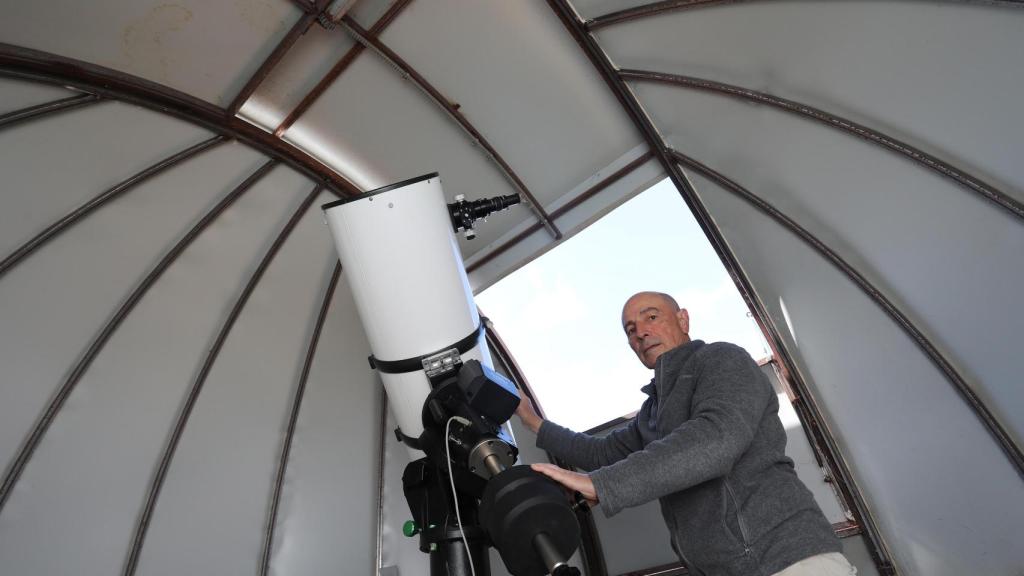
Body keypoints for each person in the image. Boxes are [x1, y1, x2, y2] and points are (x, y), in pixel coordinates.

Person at [515, 291, 856, 576]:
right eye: (631, 329)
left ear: (683, 320)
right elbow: (600, 453)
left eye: (651, 317)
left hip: (788, 560)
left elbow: (716, 438)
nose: (640, 333)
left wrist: (602, 485)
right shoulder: (653, 411)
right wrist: (531, 421)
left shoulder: (721, 359)